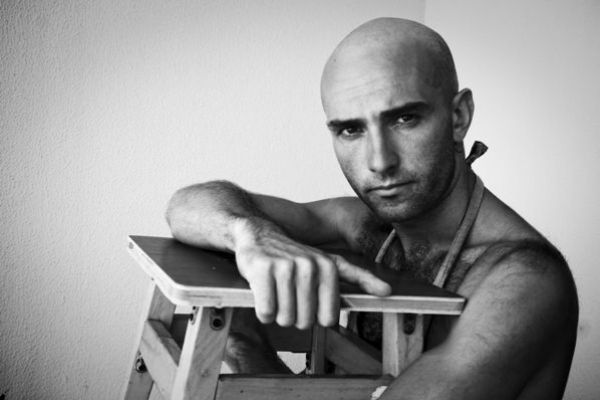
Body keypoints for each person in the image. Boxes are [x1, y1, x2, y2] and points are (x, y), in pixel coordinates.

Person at [165, 17, 578, 399]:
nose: (379, 162)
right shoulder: (364, 226)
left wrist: (250, 350)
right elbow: (186, 205)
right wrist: (251, 235)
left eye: (404, 119)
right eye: (351, 129)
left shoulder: (523, 283)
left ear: (458, 116)